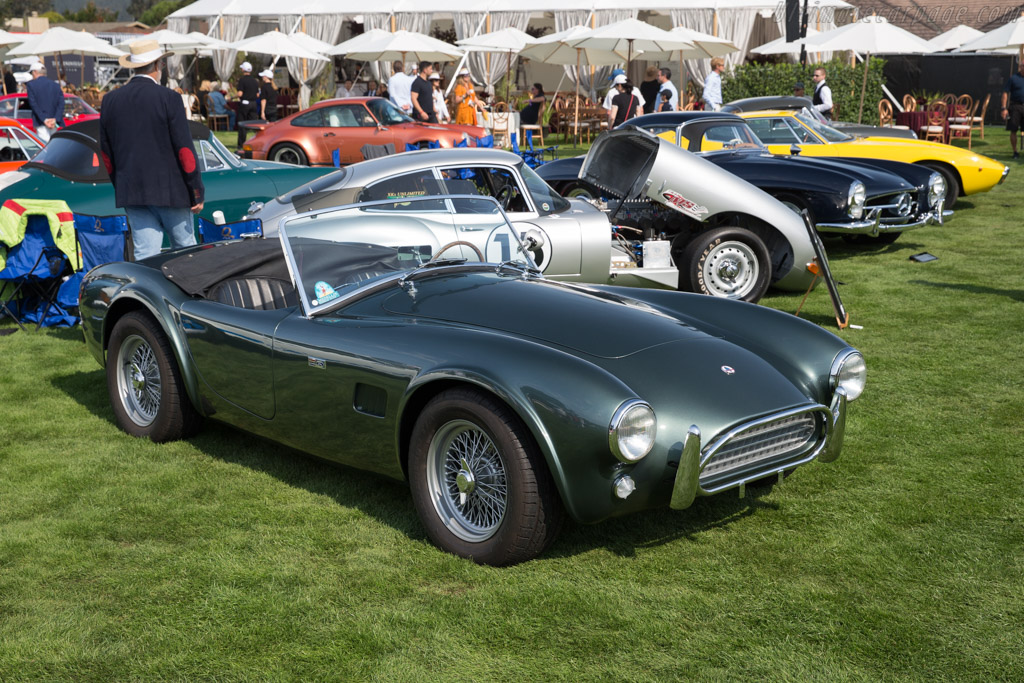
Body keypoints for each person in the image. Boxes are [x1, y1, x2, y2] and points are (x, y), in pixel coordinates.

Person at [99, 39, 204, 261]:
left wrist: (121, 185)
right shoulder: (169, 98)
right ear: (158, 66)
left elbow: (107, 156)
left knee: (146, 257)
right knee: (186, 254)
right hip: (171, 190)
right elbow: (185, 150)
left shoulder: (110, 100)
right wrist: (196, 190)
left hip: (132, 190)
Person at [24, 62, 64, 142]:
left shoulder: (31, 85)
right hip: (53, 122)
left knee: (44, 145)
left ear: (35, 72)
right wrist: (55, 119)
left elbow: (33, 104)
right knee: (54, 144)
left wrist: (44, 119)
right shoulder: (55, 85)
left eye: (32, 73)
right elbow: (61, 103)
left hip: (40, 121)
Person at [1001, 60, 1024, 159]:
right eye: (1023, 65)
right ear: (1020, 66)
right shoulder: (1013, 78)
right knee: (1013, 130)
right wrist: (1003, 108)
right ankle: (1015, 152)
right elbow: (1005, 93)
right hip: (1015, 107)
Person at [235, 61, 260, 149]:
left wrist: (234, 96)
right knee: (254, 124)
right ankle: (258, 141)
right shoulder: (255, 81)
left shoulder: (242, 80)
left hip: (245, 103)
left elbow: (240, 94)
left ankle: (241, 144)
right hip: (253, 103)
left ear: (243, 69)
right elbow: (257, 94)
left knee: (242, 124)